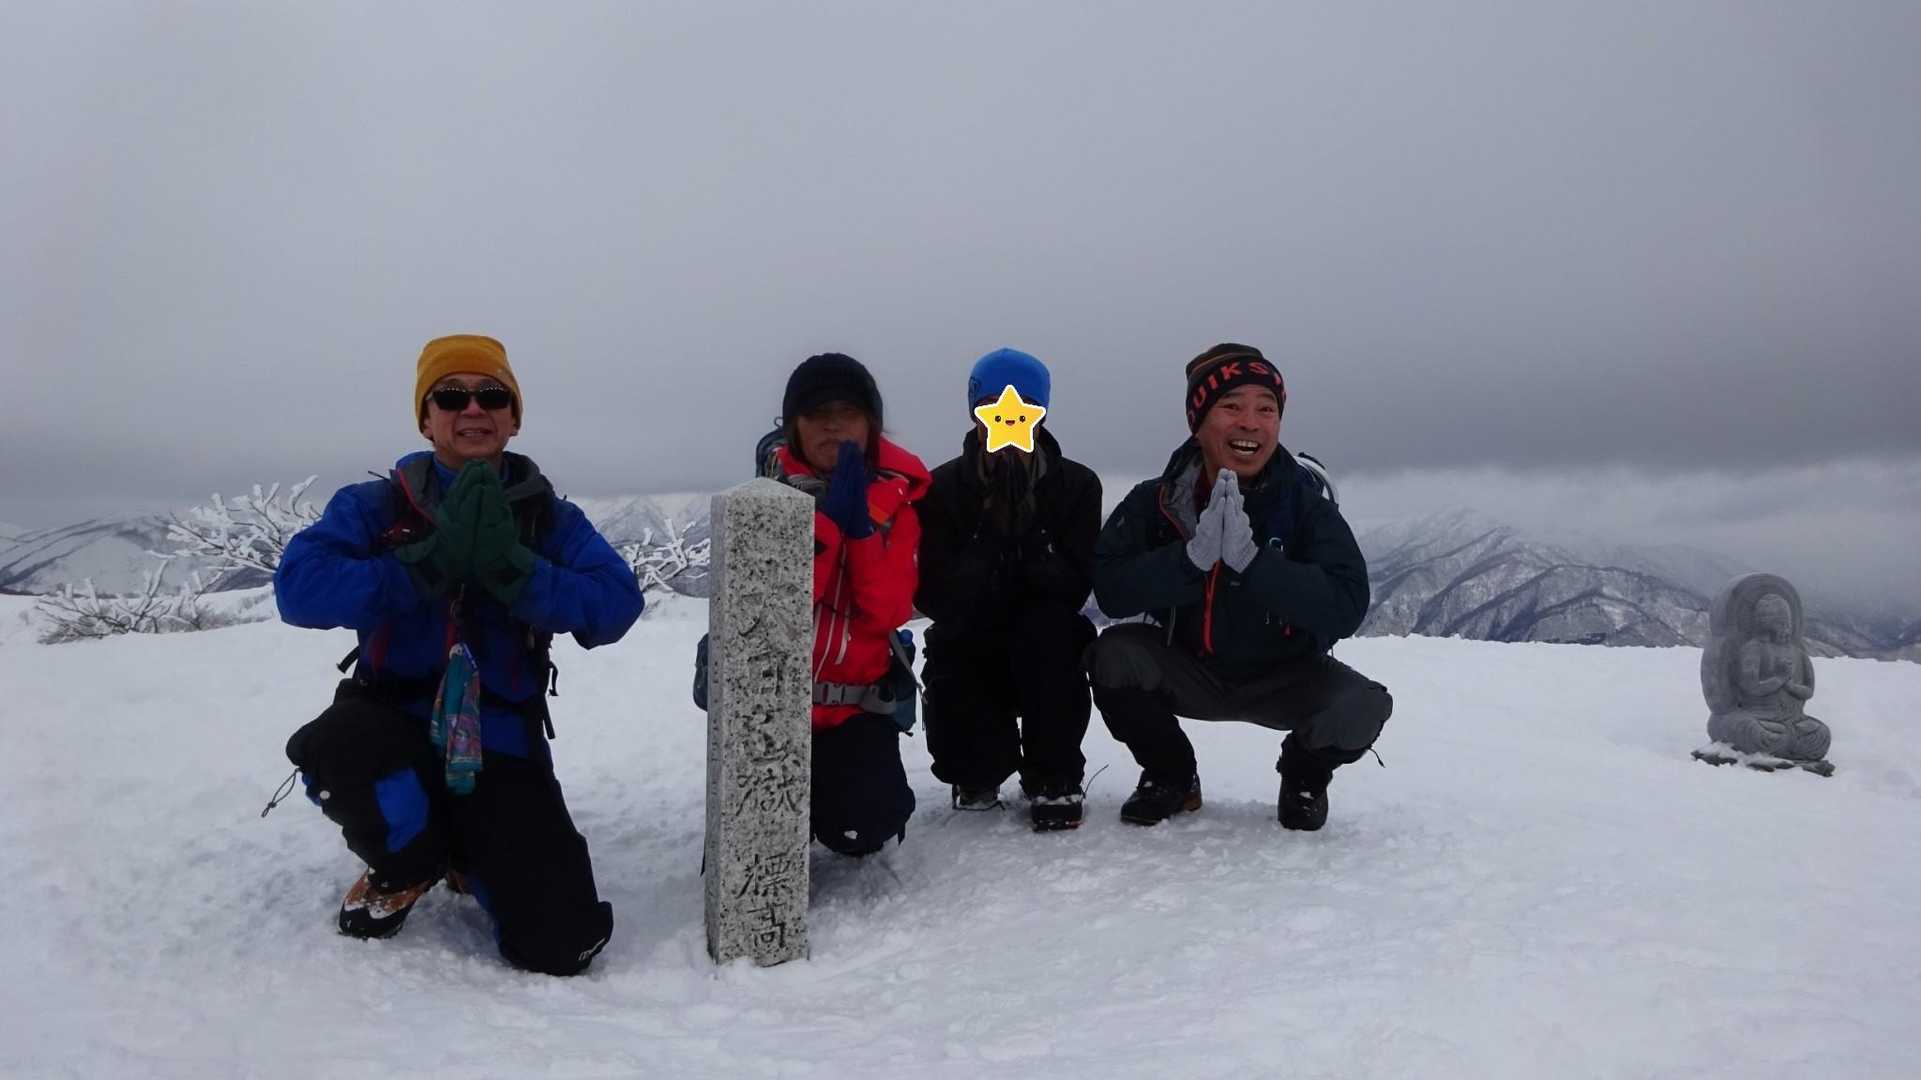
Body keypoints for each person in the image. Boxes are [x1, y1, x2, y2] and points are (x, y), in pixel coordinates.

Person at [275, 334, 643, 974]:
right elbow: (298, 589)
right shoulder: (374, 506)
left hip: (499, 738)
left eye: (492, 395)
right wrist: (421, 566)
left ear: (513, 418)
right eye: (449, 396)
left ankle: (467, 849)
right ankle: (409, 861)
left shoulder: (548, 519)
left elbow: (616, 604)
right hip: (392, 721)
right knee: (337, 748)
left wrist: (516, 572)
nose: (472, 408)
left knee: (560, 942)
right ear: (426, 419)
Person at [1086, 343, 1391, 830]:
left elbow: (1347, 603)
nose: (1250, 423)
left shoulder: (1306, 505)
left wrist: (1254, 564)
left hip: (1286, 676)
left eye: (1266, 409)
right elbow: (1111, 588)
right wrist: (1190, 560)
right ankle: (1171, 774)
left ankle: (1303, 777)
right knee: (1112, 655)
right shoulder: (1158, 501)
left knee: (1363, 705)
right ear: (1198, 422)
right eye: (1231, 406)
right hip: (1188, 667)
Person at [915, 348, 1101, 830]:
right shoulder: (939, 489)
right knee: (958, 652)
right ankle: (977, 771)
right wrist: (988, 536)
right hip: (970, 640)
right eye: (992, 408)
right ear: (975, 413)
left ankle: (1055, 775)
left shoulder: (1077, 485)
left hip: (1045, 644)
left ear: (1041, 414)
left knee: (1053, 631)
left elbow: (1075, 588)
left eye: (1024, 409)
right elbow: (933, 598)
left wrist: (1032, 534)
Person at [759, 352, 930, 856]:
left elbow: (888, 612)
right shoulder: (765, 498)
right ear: (793, 426)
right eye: (816, 412)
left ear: (871, 424)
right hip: (769, 707)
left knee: (864, 827)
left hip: (854, 710)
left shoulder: (898, 507)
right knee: (761, 843)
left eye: (848, 411)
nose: (832, 424)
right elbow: (775, 613)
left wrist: (860, 533)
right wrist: (828, 529)